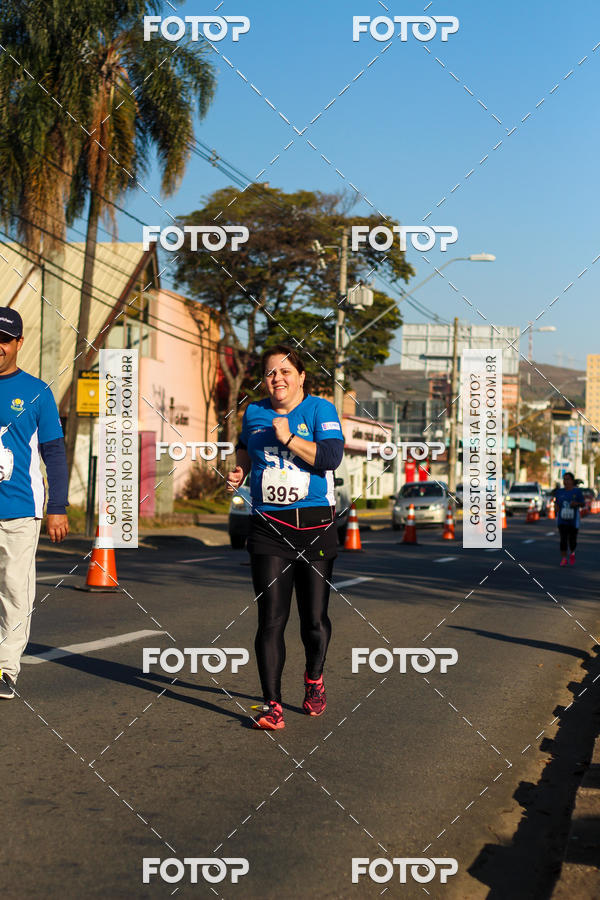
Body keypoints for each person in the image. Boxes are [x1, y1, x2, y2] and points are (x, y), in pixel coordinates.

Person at [227, 345, 344, 730]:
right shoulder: (254, 412)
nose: (277, 378)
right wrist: (240, 470)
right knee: (271, 618)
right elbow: (244, 446)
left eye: (285, 371)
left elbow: (330, 458)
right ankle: (272, 705)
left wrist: (290, 437)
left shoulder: (320, 409)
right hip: (269, 526)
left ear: (301, 376)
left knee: (313, 619)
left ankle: (314, 679)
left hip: (314, 525)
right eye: (270, 372)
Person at [0, 308, 69, 699]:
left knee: (14, 591)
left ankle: (5, 669)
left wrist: (58, 506)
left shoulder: (37, 392)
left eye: (5, 339)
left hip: (20, 510)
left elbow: (53, 453)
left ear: (18, 343)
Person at [554, 471, 585, 566]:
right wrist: (556, 508)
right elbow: (556, 503)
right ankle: (564, 558)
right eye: (564, 479)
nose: (565, 481)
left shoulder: (577, 492)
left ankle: (572, 553)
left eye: (568, 479)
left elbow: (583, 503)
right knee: (563, 539)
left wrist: (576, 504)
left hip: (573, 520)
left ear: (572, 481)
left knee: (572, 540)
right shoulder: (559, 492)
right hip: (562, 520)